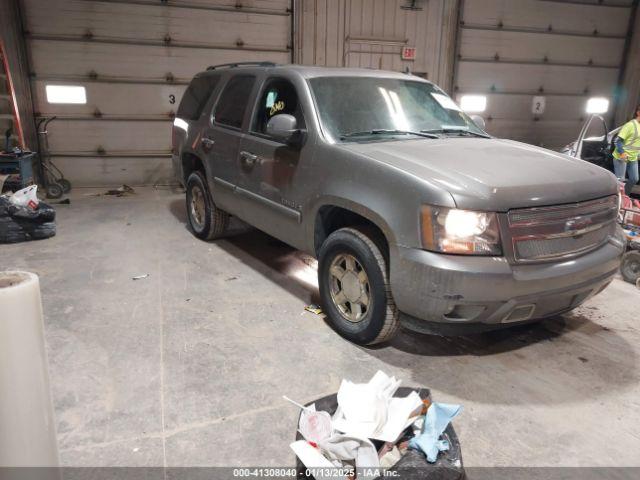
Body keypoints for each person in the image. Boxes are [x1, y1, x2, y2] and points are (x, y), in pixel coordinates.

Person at [613, 103, 640, 196]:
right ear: (638, 112)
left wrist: (638, 155)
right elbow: (618, 141)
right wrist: (622, 153)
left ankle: (625, 195)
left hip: (633, 157)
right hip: (622, 157)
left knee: (634, 178)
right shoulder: (630, 125)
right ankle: (617, 198)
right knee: (620, 180)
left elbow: (637, 143)